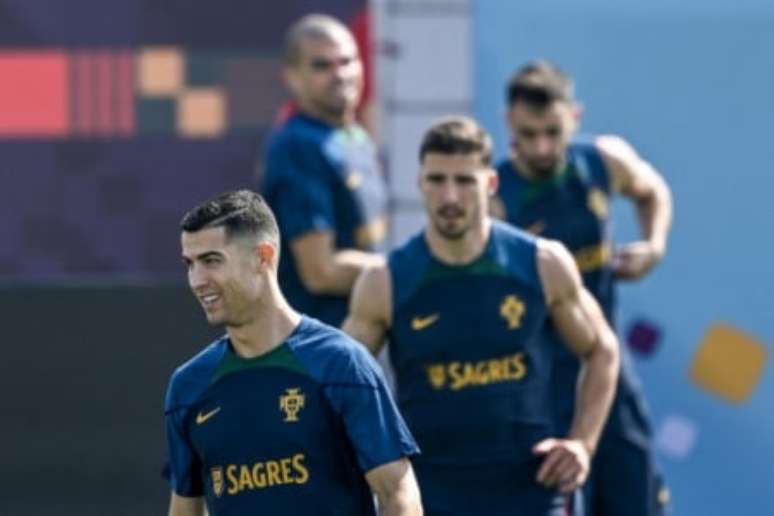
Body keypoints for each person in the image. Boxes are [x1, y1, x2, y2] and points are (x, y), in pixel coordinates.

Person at [343, 117, 620, 515]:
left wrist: (582, 443)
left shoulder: (542, 263)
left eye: (465, 180)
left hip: (532, 489)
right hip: (432, 493)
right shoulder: (385, 281)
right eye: (437, 180)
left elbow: (602, 350)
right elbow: (338, 381)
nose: (450, 196)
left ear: (490, 184)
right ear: (420, 183)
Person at [164, 190, 422, 516]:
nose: (197, 280)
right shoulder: (189, 386)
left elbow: (399, 495)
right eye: (190, 264)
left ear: (264, 257)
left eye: (211, 261)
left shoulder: (341, 364)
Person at [494, 61, 673, 516]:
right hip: (540, 385)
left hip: (610, 369)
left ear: (575, 117)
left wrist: (652, 247)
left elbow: (652, 190)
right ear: (508, 122)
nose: (540, 146)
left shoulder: (603, 161)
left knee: (636, 496)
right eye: (527, 134)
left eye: (552, 132)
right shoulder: (495, 198)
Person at [260, 13, 387, 326]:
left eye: (347, 61)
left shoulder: (357, 136)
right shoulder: (298, 145)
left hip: (361, 337)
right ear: (291, 76)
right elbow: (321, 272)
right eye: (321, 65)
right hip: (313, 348)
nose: (340, 74)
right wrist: (406, 272)